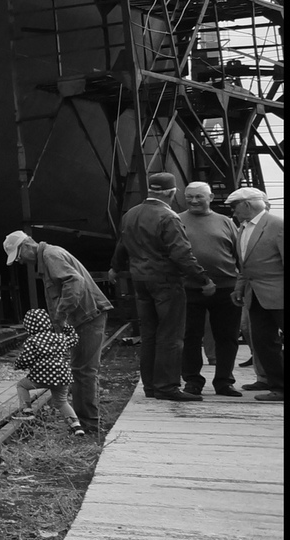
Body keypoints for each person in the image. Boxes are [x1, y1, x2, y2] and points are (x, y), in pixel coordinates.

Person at [111, 172, 213, 402]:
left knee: (149, 335)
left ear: (150, 190)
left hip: (140, 281)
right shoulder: (168, 217)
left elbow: (122, 245)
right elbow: (181, 254)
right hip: (166, 282)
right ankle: (167, 387)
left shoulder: (131, 214)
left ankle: (151, 386)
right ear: (171, 192)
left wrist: (115, 268)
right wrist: (203, 279)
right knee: (171, 335)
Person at [2, 230, 111, 437]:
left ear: (26, 247)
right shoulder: (49, 257)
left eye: (19, 257)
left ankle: (89, 425)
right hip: (83, 318)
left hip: (88, 317)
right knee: (80, 370)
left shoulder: (51, 256)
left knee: (84, 371)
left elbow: (73, 282)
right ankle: (84, 422)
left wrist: (60, 315)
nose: (21, 262)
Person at [177, 182, 244, 396]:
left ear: (211, 197)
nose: (194, 201)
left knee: (227, 336)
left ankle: (224, 381)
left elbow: (239, 254)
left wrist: (241, 284)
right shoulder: (176, 220)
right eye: (190, 197)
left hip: (225, 288)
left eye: (199, 197)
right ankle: (192, 381)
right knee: (190, 336)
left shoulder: (225, 222)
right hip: (189, 288)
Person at [226, 187, 283, 401]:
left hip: (279, 294)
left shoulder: (277, 226)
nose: (233, 212)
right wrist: (239, 288)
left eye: (235, 207)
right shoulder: (244, 228)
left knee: (269, 341)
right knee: (263, 341)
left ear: (247, 205)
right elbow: (245, 264)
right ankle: (277, 385)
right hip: (256, 296)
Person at [10, 308, 85, 434]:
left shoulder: (32, 340)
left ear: (28, 326)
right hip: (62, 377)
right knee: (61, 401)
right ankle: (76, 426)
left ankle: (26, 411)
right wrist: (66, 327)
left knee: (22, 385)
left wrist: (18, 365)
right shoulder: (60, 338)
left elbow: (27, 358)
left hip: (42, 377)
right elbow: (74, 338)